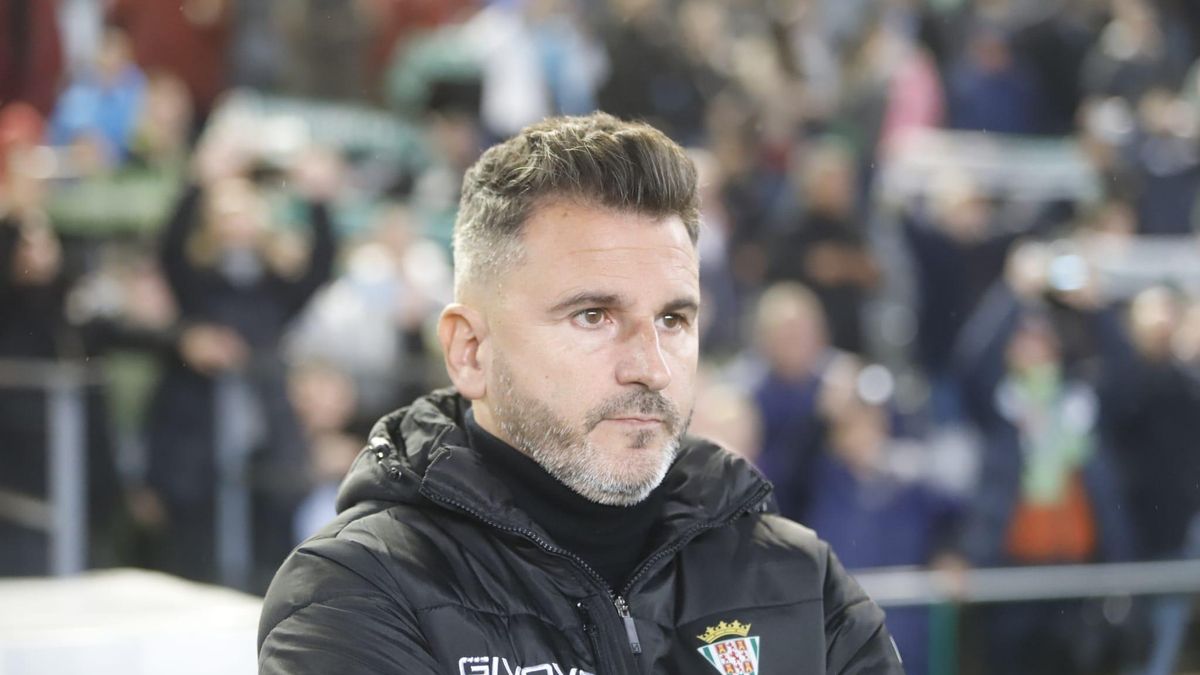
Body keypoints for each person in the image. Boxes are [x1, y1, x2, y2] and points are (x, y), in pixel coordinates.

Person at [258, 112, 902, 673]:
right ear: (469, 351)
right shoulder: (356, 592)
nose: (650, 366)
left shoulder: (802, 582)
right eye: (593, 315)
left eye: (674, 320)